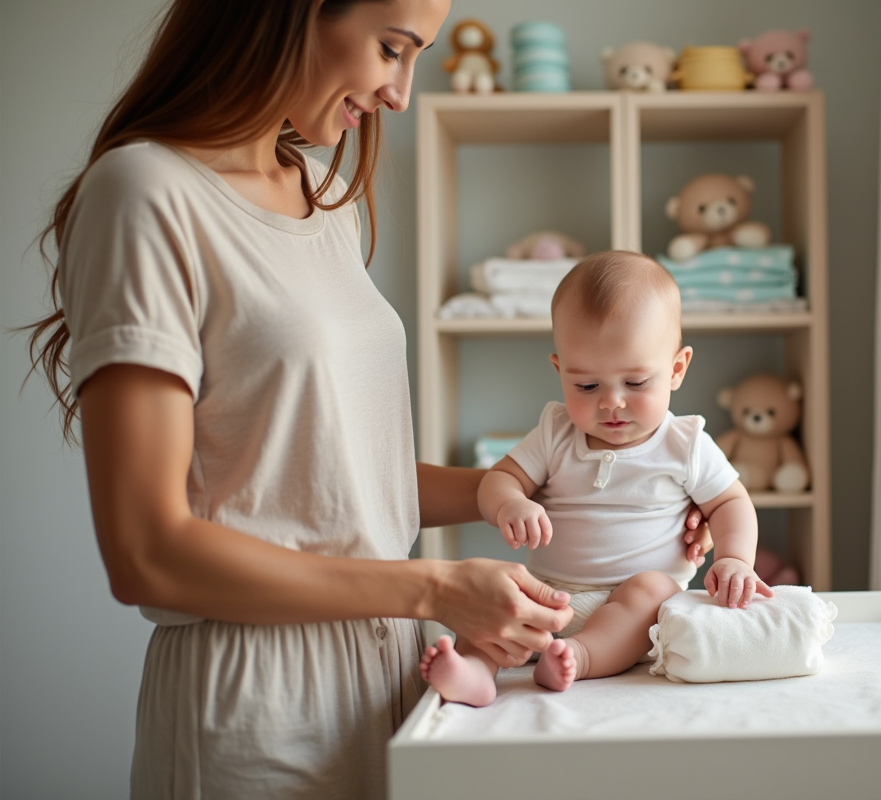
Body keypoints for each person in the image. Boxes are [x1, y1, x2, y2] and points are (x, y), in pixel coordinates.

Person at [22, 2, 714, 797]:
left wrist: (620, 490)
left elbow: (337, 479)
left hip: (396, 685)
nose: (401, 94)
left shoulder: (323, 196)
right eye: (392, 49)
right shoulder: (144, 193)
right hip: (261, 708)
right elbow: (146, 553)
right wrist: (433, 586)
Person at [420, 251, 772, 707]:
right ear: (559, 370)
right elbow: (500, 479)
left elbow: (730, 503)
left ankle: (578, 658)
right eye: (587, 386)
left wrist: (735, 558)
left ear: (676, 369)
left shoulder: (685, 443)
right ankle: (476, 671)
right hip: (551, 593)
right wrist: (511, 503)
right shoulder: (555, 431)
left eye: (636, 383)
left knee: (652, 590)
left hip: (634, 604)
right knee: (503, 595)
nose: (611, 403)